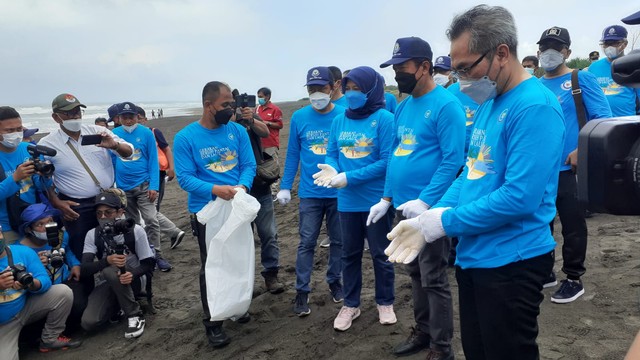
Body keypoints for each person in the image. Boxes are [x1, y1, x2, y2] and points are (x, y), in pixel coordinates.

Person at [385, 5, 566, 359]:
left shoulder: (534, 108)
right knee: (478, 350)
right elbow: (471, 171)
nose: (461, 79)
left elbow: (519, 197)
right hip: (475, 256)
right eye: (456, 70)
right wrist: (429, 210)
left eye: (466, 68)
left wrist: (444, 222)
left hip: (513, 261)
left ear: (501, 53)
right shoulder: (489, 104)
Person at [372, 36, 465, 359]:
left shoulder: (446, 105)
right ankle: (423, 331)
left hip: (430, 210)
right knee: (414, 272)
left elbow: (453, 160)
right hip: (403, 207)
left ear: (424, 67)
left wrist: (425, 201)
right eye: (395, 68)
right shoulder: (403, 105)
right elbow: (396, 153)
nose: (398, 74)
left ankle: (441, 347)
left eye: (403, 68)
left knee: (434, 277)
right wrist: (386, 197)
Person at [174, 81, 256, 348]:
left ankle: (237, 305)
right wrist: (215, 189)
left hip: (237, 207)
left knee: (239, 257)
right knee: (212, 264)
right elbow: (185, 179)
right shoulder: (186, 137)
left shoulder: (237, 131)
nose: (230, 109)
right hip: (206, 212)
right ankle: (213, 321)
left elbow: (248, 164)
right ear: (208, 105)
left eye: (232, 104)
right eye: (225, 105)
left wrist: (241, 187)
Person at [313, 66, 396, 331]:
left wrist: (350, 177)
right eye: (347, 89)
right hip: (346, 201)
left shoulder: (384, 119)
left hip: (375, 201)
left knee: (381, 254)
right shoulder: (340, 120)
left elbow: (386, 162)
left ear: (371, 90)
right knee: (349, 255)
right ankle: (351, 304)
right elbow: (332, 152)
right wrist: (332, 169)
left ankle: (385, 301)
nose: (351, 94)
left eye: (357, 89)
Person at [537, 26, 612, 303]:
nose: (548, 53)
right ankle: (546, 272)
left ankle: (573, 277)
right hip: (543, 169)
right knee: (542, 222)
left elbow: (602, 118)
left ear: (567, 51)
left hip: (570, 168)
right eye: (544, 47)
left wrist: (582, 149)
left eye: (555, 47)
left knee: (572, 224)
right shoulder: (535, 85)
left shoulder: (581, 79)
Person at [38, 94, 133, 305]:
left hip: (109, 199)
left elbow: (130, 152)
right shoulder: (48, 143)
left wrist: (114, 146)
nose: (74, 116)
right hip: (76, 205)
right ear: (56, 117)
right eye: (68, 113)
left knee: (121, 241)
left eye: (77, 112)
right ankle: (89, 297)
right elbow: (41, 178)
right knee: (83, 249)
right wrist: (55, 201)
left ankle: (128, 289)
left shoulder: (98, 131)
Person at [276, 67, 345, 317]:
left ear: (333, 87)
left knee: (338, 242)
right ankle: (302, 291)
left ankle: (334, 281)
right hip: (310, 193)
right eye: (311, 89)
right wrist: (285, 186)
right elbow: (293, 153)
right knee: (306, 243)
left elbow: (348, 152)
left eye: (321, 88)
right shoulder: (299, 117)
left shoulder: (344, 114)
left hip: (337, 193)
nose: (317, 93)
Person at [80, 189, 154, 338]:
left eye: (108, 212)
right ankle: (118, 306)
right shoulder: (93, 234)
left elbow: (149, 263)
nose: (103, 217)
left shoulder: (135, 230)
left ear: (120, 212)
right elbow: (85, 269)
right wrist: (106, 261)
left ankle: (134, 314)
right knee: (89, 322)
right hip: (108, 281)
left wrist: (132, 274)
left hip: (134, 279)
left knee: (110, 271)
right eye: (99, 213)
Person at [232, 92, 285, 294]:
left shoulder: (252, 117)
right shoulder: (224, 123)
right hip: (236, 189)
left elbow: (264, 133)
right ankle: (245, 282)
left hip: (259, 185)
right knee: (241, 239)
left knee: (268, 234)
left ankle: (271, 275)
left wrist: (251, 118)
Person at [0, 229, 81, 359]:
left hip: (24, 307)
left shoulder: (22, 252)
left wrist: (31, 284)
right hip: (3, 323)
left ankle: (50, 340)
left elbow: (44, 280)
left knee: (62, 292)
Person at [111, 102, 171, 272]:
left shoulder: (146, 133)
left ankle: (157, 254)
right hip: (123, 187)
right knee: (132, 224)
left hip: (144, 184)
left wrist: (154, 186)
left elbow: (153, 160)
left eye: (131, 116)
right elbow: (112, 160)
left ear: (138, 117)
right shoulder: (114, 134)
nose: (128, 120)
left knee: (151, 219)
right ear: (119, 118)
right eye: (124, 117)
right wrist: (115, 185)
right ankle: (141, 255)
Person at [16, 203, 85, 330]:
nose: (46, 227)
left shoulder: (61, 235)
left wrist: (75, 264)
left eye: (50, 221)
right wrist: (34, 265)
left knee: (78, 307)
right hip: (40, 291)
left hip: (63, 279)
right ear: (28, 229)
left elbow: (67, 250)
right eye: (40, 224)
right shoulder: (19, 250)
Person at [136, 107, 185, 249]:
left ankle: (168, 234)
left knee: (152, 208)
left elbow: (166, 149)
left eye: (140, 118)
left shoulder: (153, 132)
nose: (138, 121)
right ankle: (170, 233)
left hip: (157, 173)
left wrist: (171, 168)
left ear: (145, 119)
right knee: (149, 209)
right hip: (142, 175)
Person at [0, 106, 49, 241]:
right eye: (9, 130)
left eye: (19, 129)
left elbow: (39, 186)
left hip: (32, 220)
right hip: (6, 226)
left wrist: (46, 176)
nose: (15, 133)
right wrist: (15, 178)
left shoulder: (30, 149)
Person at [588, 25, 640, 116]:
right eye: (607, 43)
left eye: (615, 43)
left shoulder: (633, 66)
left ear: (625, 44)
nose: (609, 47)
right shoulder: (593, 68)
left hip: (626, 122)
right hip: (600, 123)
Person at [256, 87, 284, 198]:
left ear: (267, 97)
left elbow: (280, 125)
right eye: (258, 97)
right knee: (262, 167)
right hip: (259, 143)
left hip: (271, 142)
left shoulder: (275, 109)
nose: (259, 99)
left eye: (261, 97)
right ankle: (265, 188)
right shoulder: (257, 109)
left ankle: (274, 191)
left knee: (273, 166)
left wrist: (267, 123)